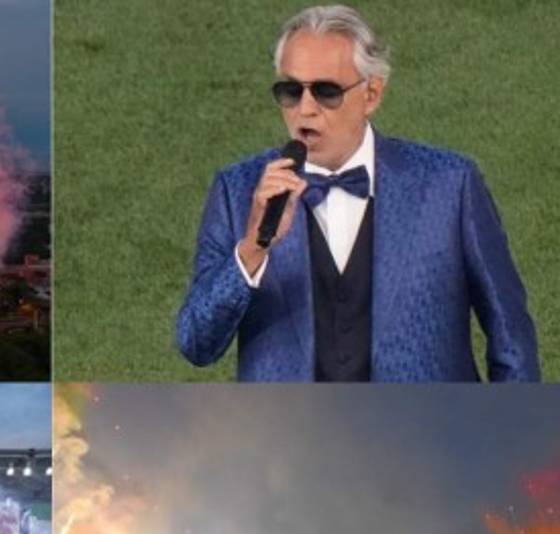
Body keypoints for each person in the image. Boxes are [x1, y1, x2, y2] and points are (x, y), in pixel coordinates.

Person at [176, 5, 538, 382]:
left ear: (372, 94)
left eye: (326, 92)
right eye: (290, 91)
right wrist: (252, 249)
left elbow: (511, 338)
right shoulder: (237, 191)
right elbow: (196, 343)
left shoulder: (449, 185)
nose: (306, 109)